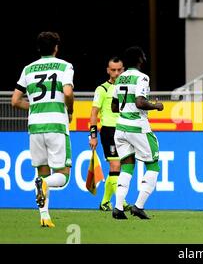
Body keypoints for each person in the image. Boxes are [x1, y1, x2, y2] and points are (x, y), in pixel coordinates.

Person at [11, 31, 74, 227]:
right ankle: (44, 186)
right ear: (56, 48)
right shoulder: (65, 66)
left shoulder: (28, 69)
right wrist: (70, 109)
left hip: (35, 125)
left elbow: (14, 101)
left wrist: (36, 107)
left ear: (39, 48)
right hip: (56, 123)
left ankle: (45, 217)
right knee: (62, 176)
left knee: (42, 172)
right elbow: (68, 92)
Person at [111, 46, 164, 220]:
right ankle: (139, 206)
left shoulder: (119, 79)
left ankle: (118, 208)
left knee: (127, 165)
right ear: (141, 60)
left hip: (120, 128)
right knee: (153, 164)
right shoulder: (142, 78)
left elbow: (114, 106)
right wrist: (156, 106)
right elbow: (140, 102)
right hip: (138, 127)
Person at [89, 57, 132, 211]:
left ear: (123, 69)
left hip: (124, 130)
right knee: (115, 165)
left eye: (119, 69)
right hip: (109, 131)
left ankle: (105, 202)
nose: (116, 73)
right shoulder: (102, 89)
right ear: (108, 70)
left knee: (117, 168)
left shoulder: (127, 88)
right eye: (113, 70)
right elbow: (94, 113)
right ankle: (123, 202)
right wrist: (93, 135)